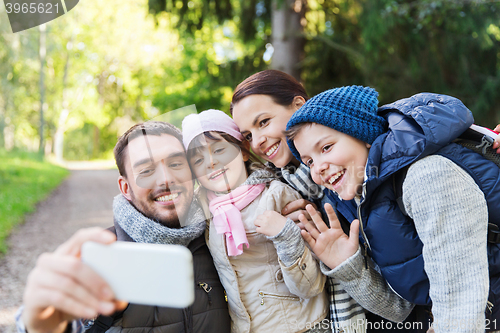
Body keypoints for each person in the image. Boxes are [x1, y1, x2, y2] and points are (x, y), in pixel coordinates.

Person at [285, 85, 500, 332]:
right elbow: (401, 309)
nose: (318, 168)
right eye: (309, 161)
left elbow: (461, 299)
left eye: (326, 148)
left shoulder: (427, 176)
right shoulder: (365, 201)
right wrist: (349, 267)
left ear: (362, 136)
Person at [230, 70, 416, 332]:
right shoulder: (277, 193)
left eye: (263, 122)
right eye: (248, 135)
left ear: (298, 105)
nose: (258, 141)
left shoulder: (357, 170)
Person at [16, 121, 231, 333]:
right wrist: (39, 325)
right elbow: (60, 322)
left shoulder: (224, 240)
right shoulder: (101, 258)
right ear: (125, 187)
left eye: (176, 164)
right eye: (146, 171)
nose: (166, 179)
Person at [181, 109, 329, 333]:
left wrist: (286, 235)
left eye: (219, 150)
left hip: (301, 326)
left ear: (242, 151)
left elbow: (311, 287)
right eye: (198, 159)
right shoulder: (202, 209)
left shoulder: (276, 196)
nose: (211, 163)